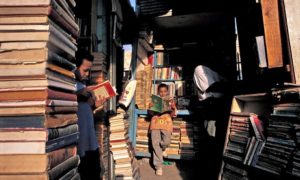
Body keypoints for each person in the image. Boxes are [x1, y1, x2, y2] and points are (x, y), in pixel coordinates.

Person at [75, 51, 106, 180]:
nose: (87, 74)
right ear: (74, 67)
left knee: (95, 170)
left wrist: (95, 104)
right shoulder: (69, 84)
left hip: (90, 139)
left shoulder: (82, 85)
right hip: (81, 141)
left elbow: (85, 107)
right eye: (85, 70)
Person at [149, 83, 177, 176]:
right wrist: (152, 107)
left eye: (165, 91)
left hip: (166, 123)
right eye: (161, 91)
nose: (163, 93)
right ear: (158, 92)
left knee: (166, 141)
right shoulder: (155, 100)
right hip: (155, 122)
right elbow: (150, 113)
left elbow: (173, 115)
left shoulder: (170, 100)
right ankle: (158, 167)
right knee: (155, 144)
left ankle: (163, 148)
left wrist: (172, 108)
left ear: (167, 92)